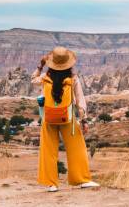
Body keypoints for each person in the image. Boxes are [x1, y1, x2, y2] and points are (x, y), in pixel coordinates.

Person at [32, 46, 99, 192]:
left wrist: (40, 65)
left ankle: (51, 184)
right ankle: (81, 180)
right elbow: (80, 101)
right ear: (69, 63)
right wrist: (84, 120)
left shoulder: (45, 78)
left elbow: (32, 80)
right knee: (77, 148)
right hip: (68, 120)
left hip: (48, 119)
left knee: (48, 150)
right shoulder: (73, 79)